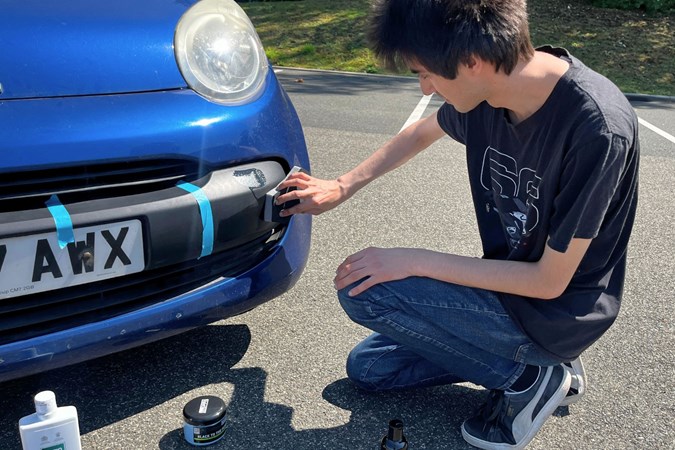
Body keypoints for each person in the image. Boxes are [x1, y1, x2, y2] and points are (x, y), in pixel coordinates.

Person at [275, 0, 640, 448]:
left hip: (556, 311)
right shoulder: (490, 92)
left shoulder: (596, 128)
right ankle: (543, 365)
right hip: (510, 294)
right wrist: (341, 186)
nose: (425, 89)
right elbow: (419, 133)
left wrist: (413, 260)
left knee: (366, 291)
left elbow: (549, 281)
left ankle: (530, 376)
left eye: (427, 74)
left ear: (473, 61)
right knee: (369, 370)